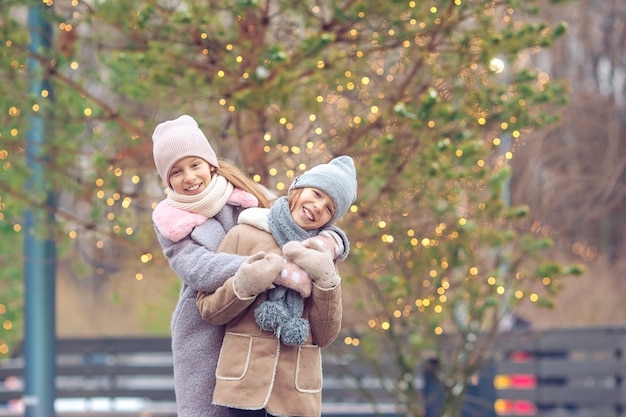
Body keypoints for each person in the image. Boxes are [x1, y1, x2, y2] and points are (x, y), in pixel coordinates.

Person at [151, 114, 350, 417]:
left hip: (259, 319)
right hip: (207, 321)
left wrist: (333, 239)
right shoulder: (172, 221)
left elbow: (296, 217)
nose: (189, 177)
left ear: (210, 165)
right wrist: (273, 271)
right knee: (213, 406)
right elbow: (199, 269)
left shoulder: (246, 195)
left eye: (194, 165)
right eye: (176, 171)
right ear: (167, 181)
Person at [196, 156, 358, 417]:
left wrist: (327, 281)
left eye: (329, 208)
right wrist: (246, 284)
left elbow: (325, 335)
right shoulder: (243, 235)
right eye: (316, 194)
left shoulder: (323, 256)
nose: (317, 207)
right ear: (297, 188)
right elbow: (210, 310)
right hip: (243, 386)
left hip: (296, 394)